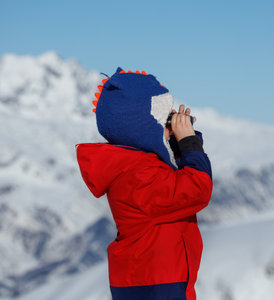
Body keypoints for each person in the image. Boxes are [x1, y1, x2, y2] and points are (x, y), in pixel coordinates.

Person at [76, 67, 213, 300]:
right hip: (157, 283)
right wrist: (188, 142)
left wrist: (180, 146)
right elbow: (196, 189)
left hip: (149, 279)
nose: (169, 124)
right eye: (163, 117)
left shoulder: (134, 166)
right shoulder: (139, 175)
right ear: (142, 126)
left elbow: (177, 186)